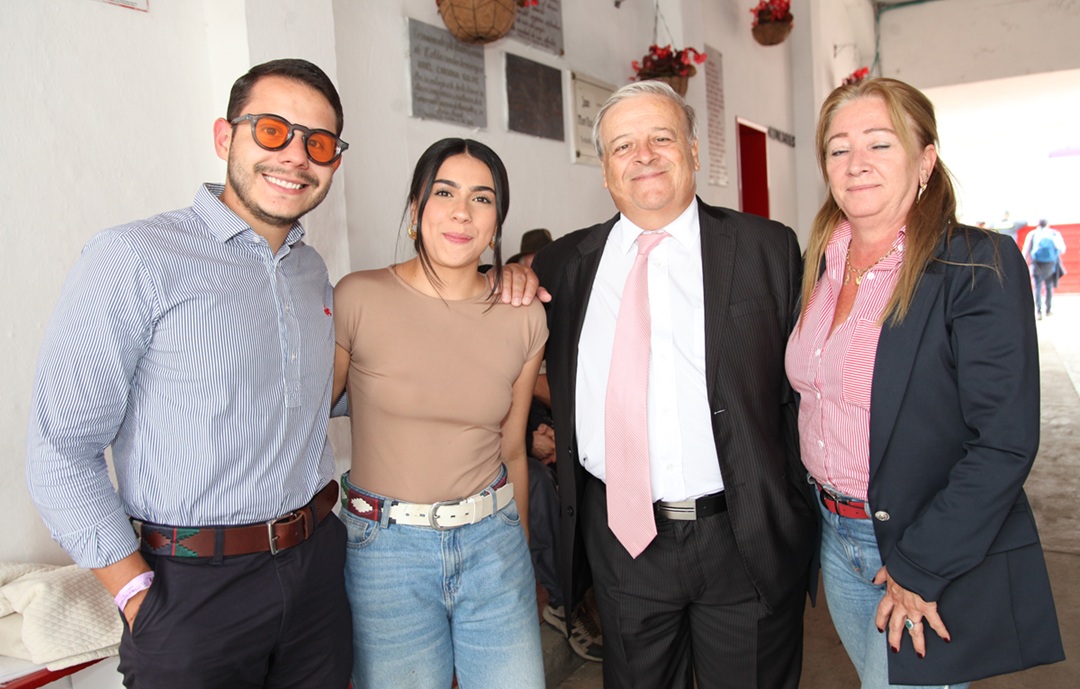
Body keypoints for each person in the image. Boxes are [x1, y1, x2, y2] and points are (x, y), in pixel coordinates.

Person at [25, 59, 353, 688]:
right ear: (225, 137)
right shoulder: (134, 257)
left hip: (316, 572)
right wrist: (137, 595)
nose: (295, 157)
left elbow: (318, 401)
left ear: (332, 161)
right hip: (189, 591)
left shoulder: (311, 272)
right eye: (272, 131)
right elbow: (61, 450)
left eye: (317, 144)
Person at [531, 81, 816, 689]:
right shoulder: (564, 266)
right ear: (605, 170)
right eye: (623, 146)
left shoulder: (766, 249)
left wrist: (791, 510)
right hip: (621, 541)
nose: (644, 155)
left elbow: (802, 395)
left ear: (690, 149)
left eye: (661, 137)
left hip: (743, 536)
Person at [786, 77, 1065, 688]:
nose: (856, 164)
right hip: (835, 534)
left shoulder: (975, 263)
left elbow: (1005, 439)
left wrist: (922, 565)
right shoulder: (818, 264)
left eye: (879, 144)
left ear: (925, 160)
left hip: (921, 541)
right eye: (838, 148)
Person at [332, 138, 548, 689]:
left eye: (482, 198)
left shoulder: (523, 316)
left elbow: (512, 449)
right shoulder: (358, 297)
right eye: (445, 192)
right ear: (414, 210)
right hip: (386, 550)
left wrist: (516, 554)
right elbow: (304, 426)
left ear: (497, 222)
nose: (461, 211)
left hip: (493, 542)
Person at [1022, 218, 1066, 319]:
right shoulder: (1054, 233)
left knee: (1037, 287)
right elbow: (1062, 249)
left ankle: (1038, 312)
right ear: (1047, 224)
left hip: (1036, 264)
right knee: (1048, 286)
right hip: (1050, 264)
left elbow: (1025, 251)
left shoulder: (1032, 234)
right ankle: (1048, 310)